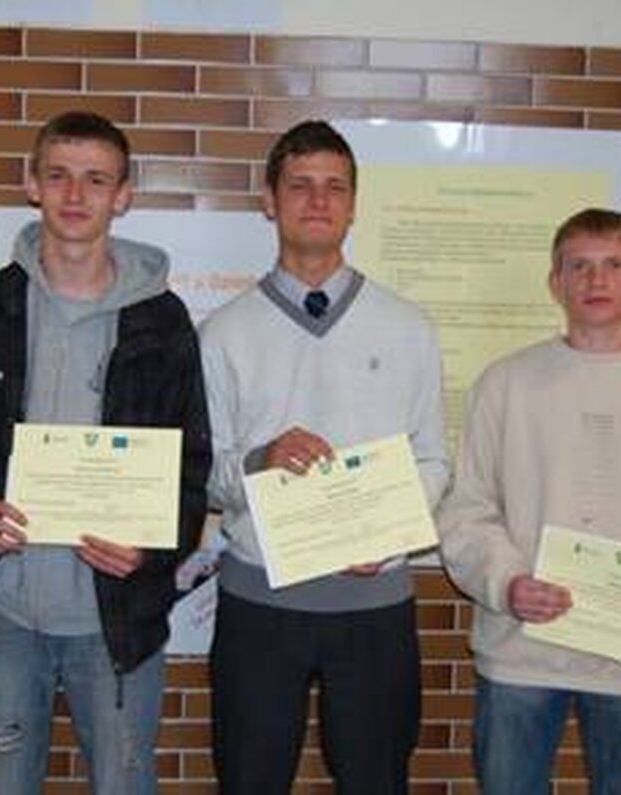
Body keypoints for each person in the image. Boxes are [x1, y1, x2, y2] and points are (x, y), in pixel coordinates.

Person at [0, 110, 211, 794]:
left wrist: (150, 547)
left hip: (116, 618)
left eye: (96, 179)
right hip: (5, 607)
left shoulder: (163, 322)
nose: (75, 195)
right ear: (32, 185)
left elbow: (190, 467)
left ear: (123, 195)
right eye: (58, 176)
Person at [437, 208, 621, 794]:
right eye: (579, 267)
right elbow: (466, 509)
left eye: (614, 265)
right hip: (520, 654)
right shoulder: (505, 383)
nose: (596, 281)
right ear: (556, 281)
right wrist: (506, 582)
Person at [200, 120, 450, 794]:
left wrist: (388, 534)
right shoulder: (223, 332)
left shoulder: (408, 326)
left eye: (335, 187)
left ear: (353, 205)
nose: (318, 201)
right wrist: (260, 460)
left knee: (376, 781)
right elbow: (206, 473)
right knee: (249, 780)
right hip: (259, 600)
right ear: (269, 200)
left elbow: (434, 460)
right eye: (300, 185)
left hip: (374, 604)